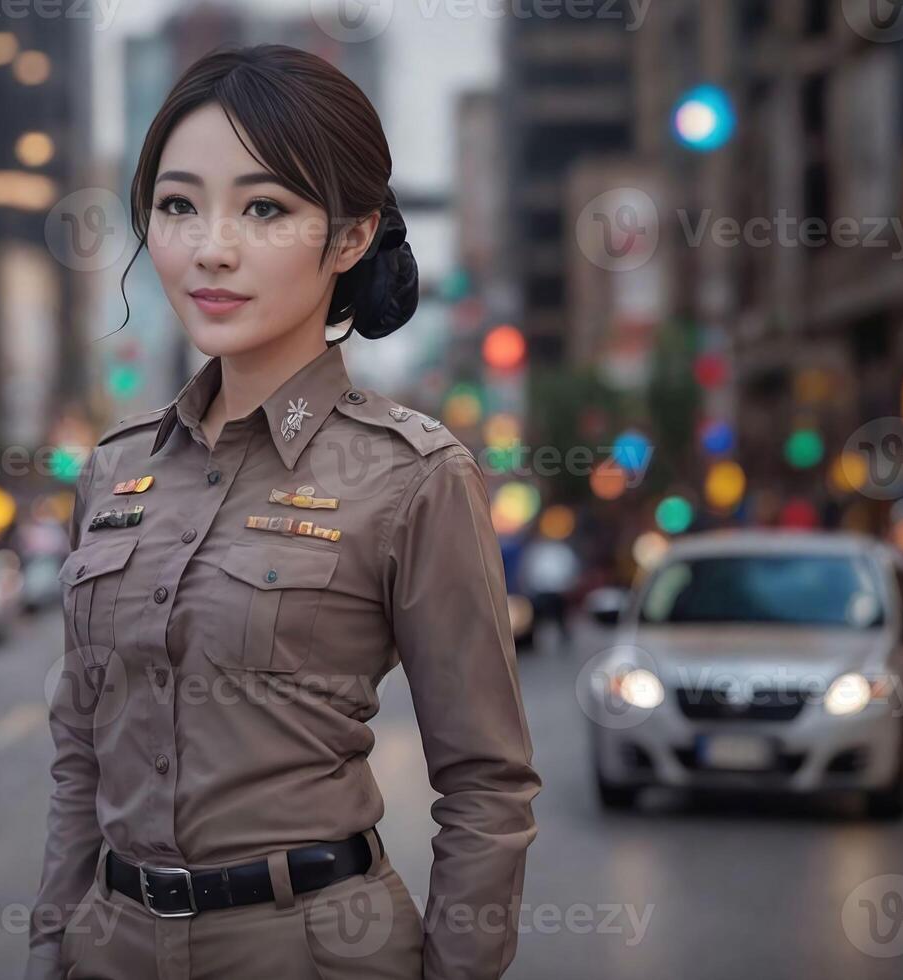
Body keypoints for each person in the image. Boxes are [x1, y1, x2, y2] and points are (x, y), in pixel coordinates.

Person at [27, 45, 540, 980]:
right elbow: (80, 758)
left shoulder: (414, 478)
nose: (210, 247)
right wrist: (53, 948)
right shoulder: (114, 470)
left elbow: (485, 785)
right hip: (111, 949)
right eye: (179, 205)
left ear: (348, 238)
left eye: (264, 208)